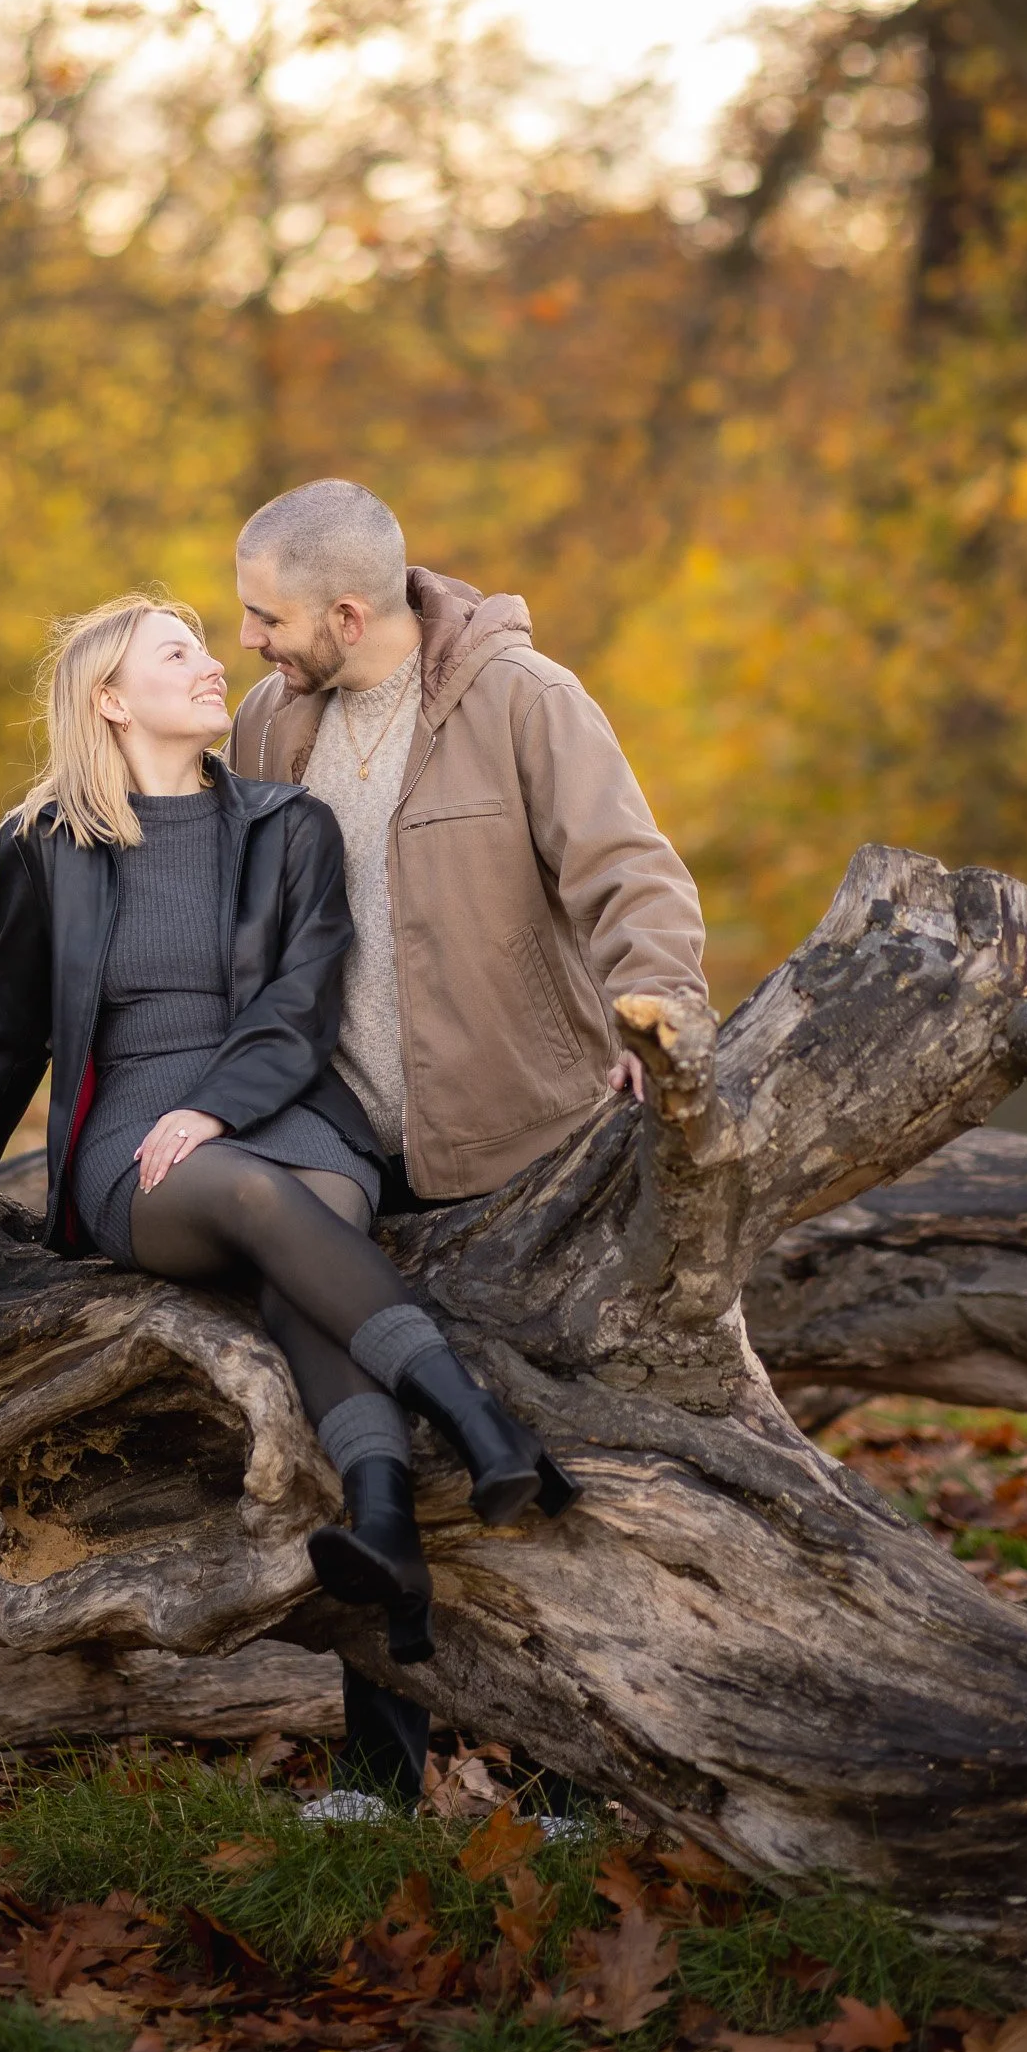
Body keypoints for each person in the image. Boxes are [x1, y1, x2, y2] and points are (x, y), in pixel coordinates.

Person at [0, 591, 576, 1672]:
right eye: (178, 652)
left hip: (284, 1108)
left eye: (205, 647)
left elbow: (300, 1009)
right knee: (251, 1198)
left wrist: (219, 1106)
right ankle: (478, 1425)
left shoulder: (288, 826)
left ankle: (382, 1518)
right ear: (109, 699)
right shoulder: (45, 845)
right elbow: (6, 1040)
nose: (211, 666)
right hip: (137, 1136)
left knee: (310, 1249)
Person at [231, 483, 707, 1810]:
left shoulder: (523, 698)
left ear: (343, 607)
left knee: (540, 1461)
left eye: (266, 615)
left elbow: (632, 874)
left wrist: (655, 1016)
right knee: (369, 1445)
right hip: (340, 1145)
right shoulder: (274, 721)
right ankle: (383, 1770)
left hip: (522, 1138)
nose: (251, 641)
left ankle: (571, 1779)